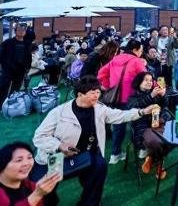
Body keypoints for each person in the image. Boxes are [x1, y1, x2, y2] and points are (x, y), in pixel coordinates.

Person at [31, 76, 155, 205]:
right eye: (92, 93)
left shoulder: (99, 109)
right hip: (56, 158)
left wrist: (142, 112)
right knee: (42, 189)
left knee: (99, 165)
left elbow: (120, 115)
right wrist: (59, 146)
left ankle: (90, 202)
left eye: (98, 92)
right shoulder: (58, 112)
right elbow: (39, 137)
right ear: (80, 94)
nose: (96, 96)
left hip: (86, 156)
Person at [97, 39, 148, 165]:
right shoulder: (136, 61)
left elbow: (101, 74)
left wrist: (109, 86)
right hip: (132, 98)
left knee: (118, 126)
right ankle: (142, 150)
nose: (141, 53)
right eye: (140, 50)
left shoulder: (115, 59)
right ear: (135, 50)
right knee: (139, 123)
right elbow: (146, 78)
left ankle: (115, 154)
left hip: (116, 98)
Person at [127, 72, 171, 180]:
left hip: (159, 124)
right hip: (143, 127)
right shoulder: (133, 97)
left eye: (151, 80)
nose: (149, 82)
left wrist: (163, 95)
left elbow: (165, 105)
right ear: (139, 82)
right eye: (146, 80)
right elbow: (134, 106)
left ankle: (152, 158)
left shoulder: (155, 93)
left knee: (171, 138)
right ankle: (159, 164)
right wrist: (151, 96)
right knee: (154, 141)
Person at [0, 142, 61, 206]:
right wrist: (37, 195)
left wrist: (48, 193)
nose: (26, 163)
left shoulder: (30, 185)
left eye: (29, 157)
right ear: (2, 164)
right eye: (19, 160)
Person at [0, 24, 35, 105]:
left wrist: (27, 68)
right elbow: (1, 55)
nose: (21, 31)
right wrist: (4, 65)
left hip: (20, 70)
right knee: (3, 88)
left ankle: (11, 104)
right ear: (15, 31)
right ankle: (1, 104)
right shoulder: (8, 42)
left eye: (23, 30)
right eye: (19, 30)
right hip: (8, 70)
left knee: (15, 89)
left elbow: (28, 57)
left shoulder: (27, 44)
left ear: (25, 32)